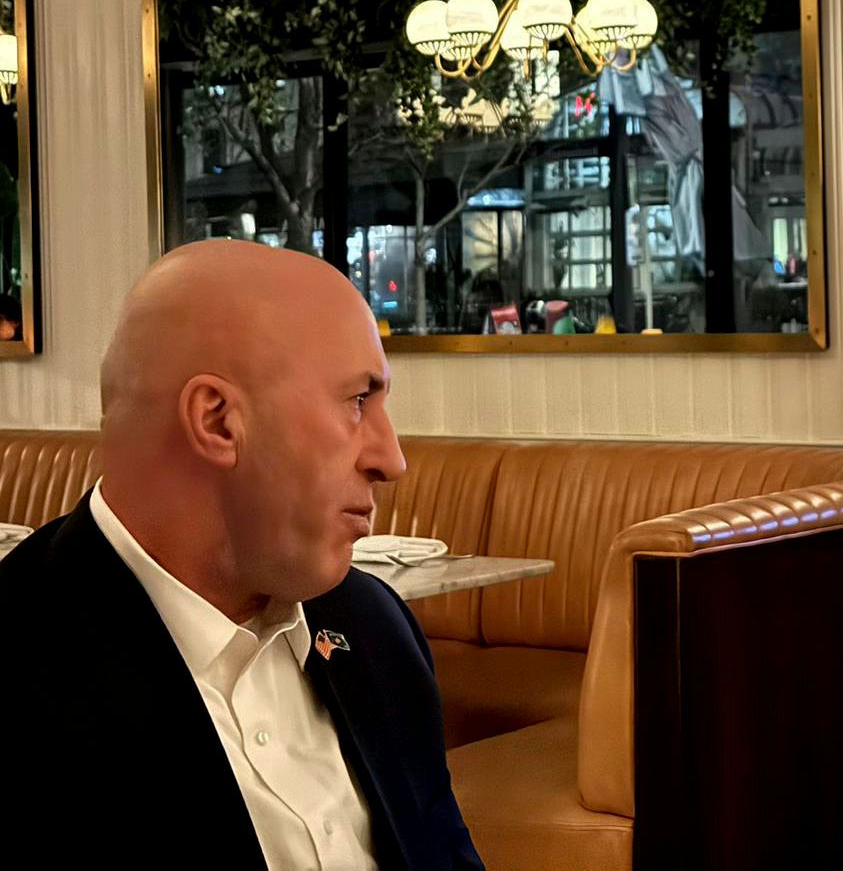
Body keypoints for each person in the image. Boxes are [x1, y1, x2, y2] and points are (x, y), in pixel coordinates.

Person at [0, 240, 483, 869]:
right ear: (218, 420)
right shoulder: (23, 657)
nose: (391, 459)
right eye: (358, 402)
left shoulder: (375, 629)